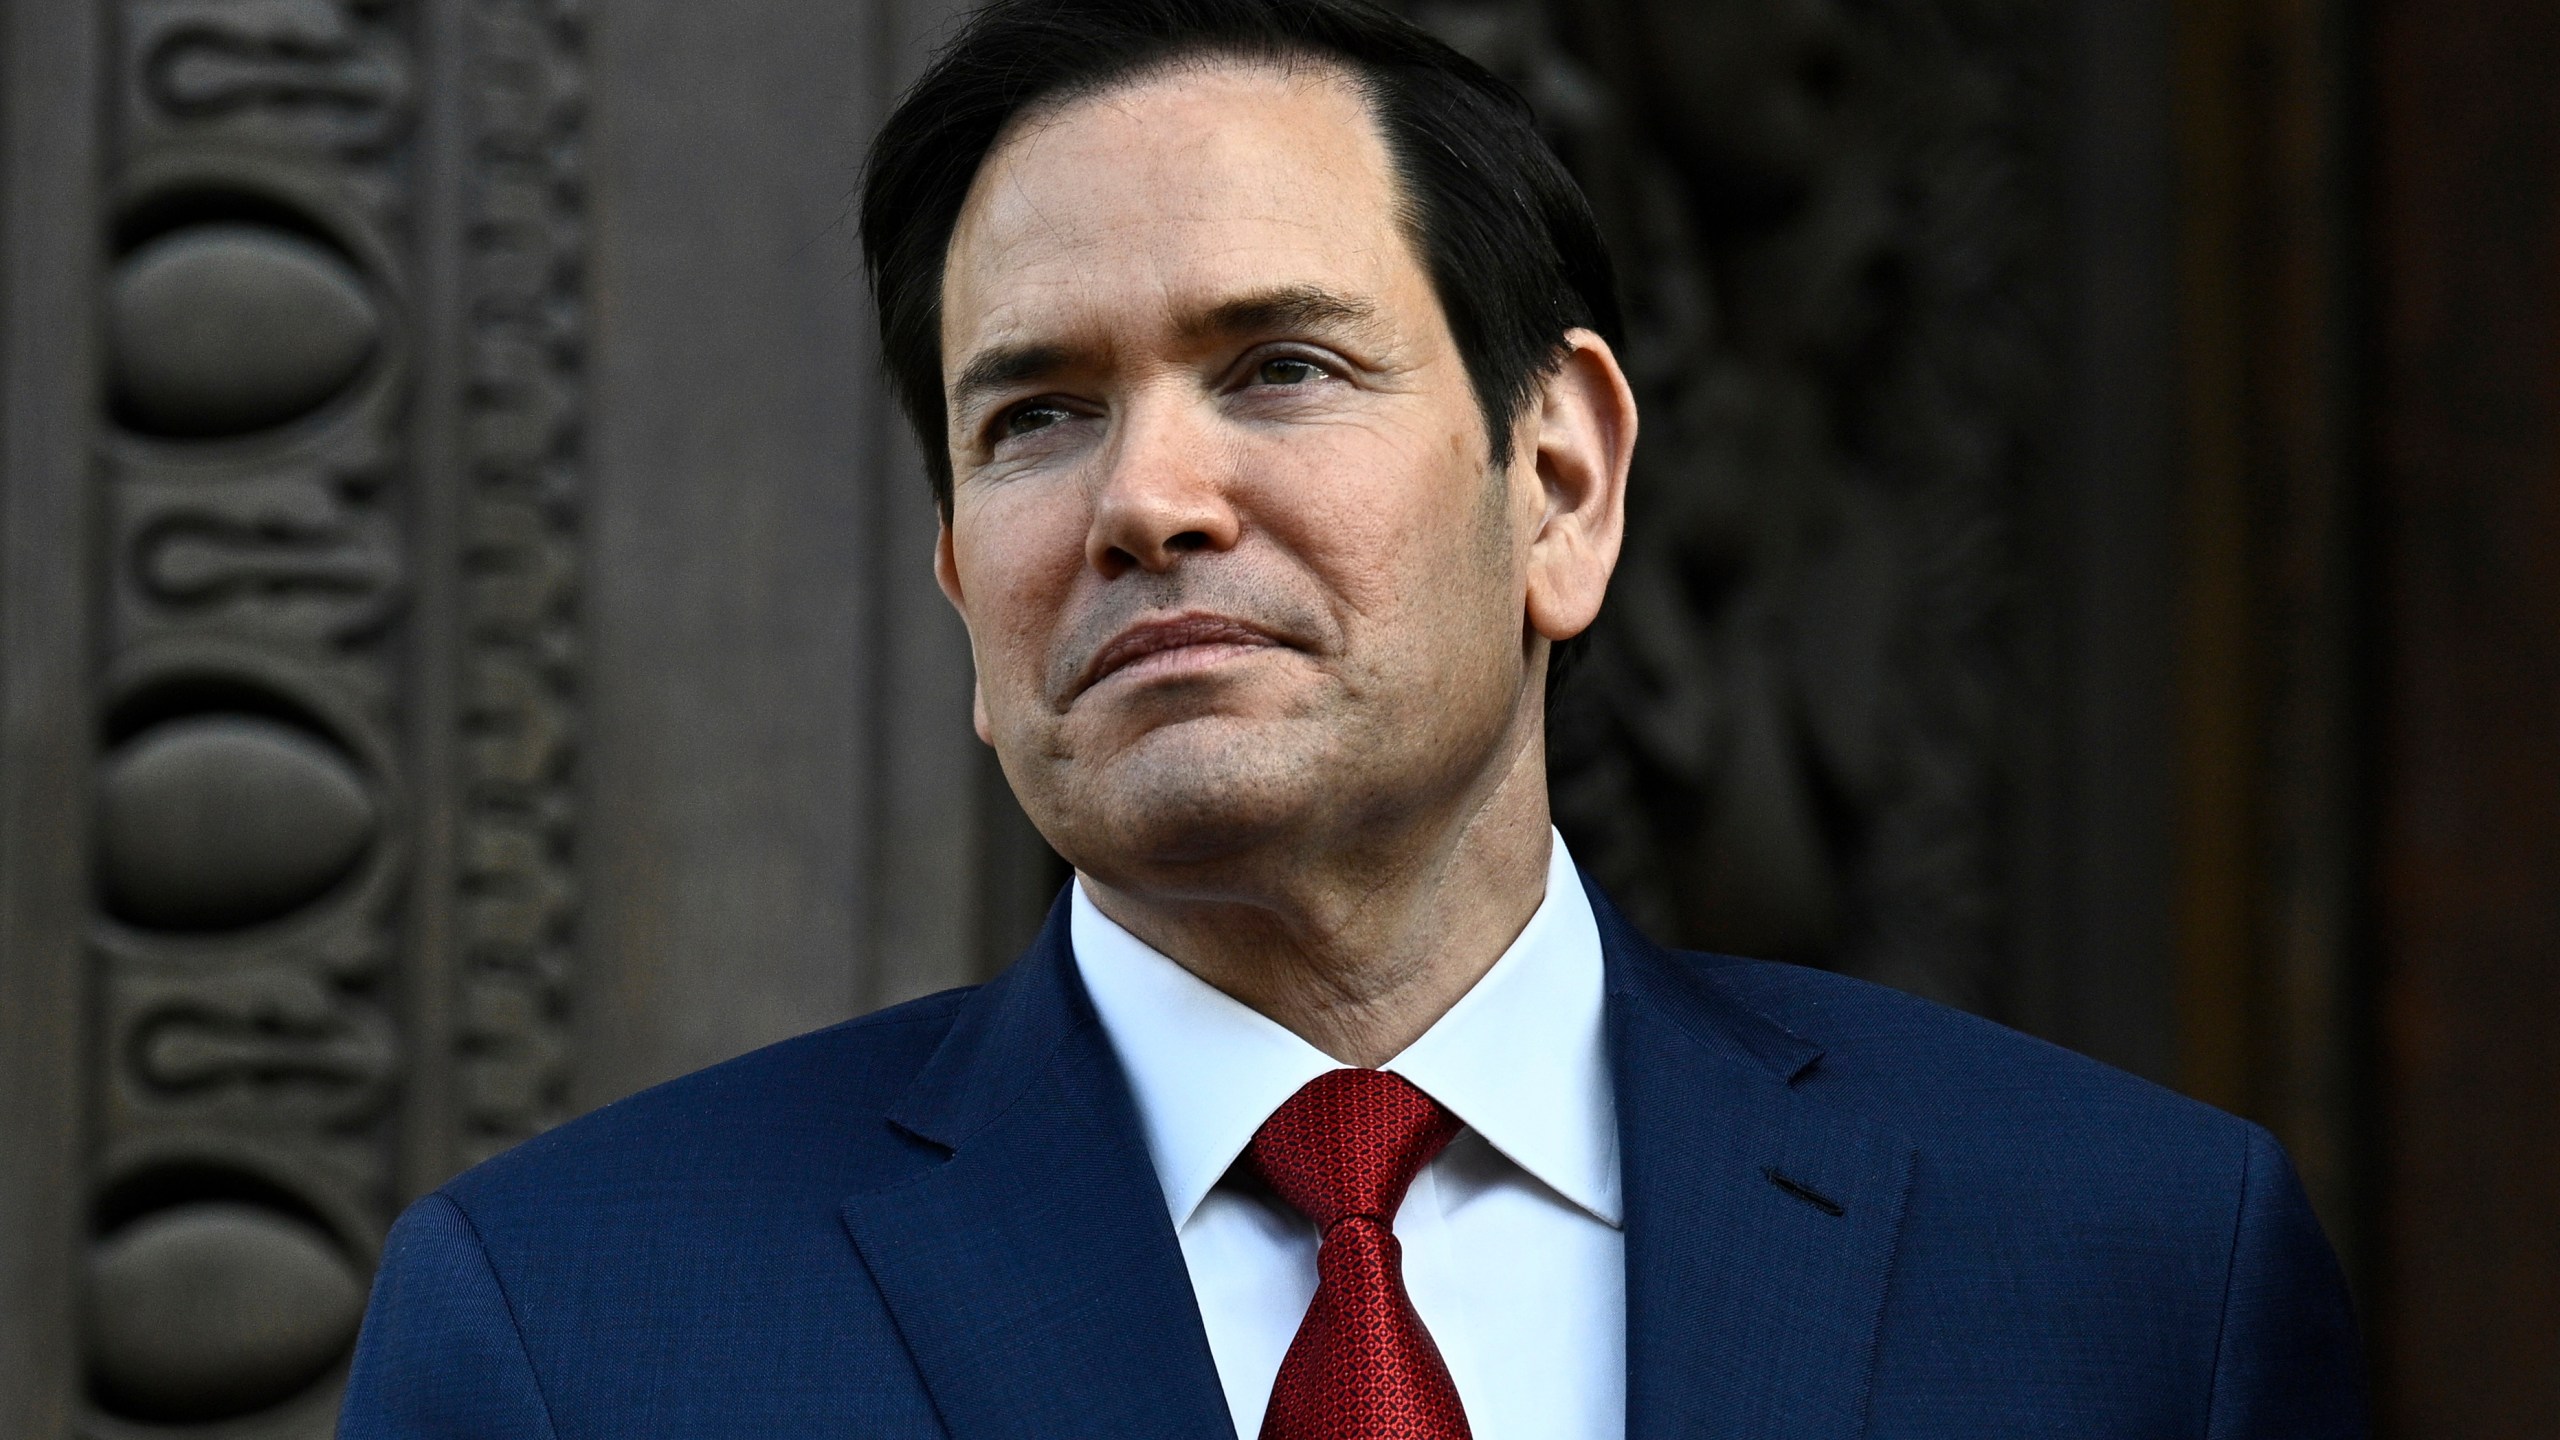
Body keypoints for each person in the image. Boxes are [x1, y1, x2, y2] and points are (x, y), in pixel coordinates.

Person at [338, 0, 2366, 1435]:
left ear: (1559, 482)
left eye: (1279, 367)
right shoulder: (578, 1329)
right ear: (960, 584)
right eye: (1035, 417)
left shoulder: (2123, 1272)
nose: (1146, 500)